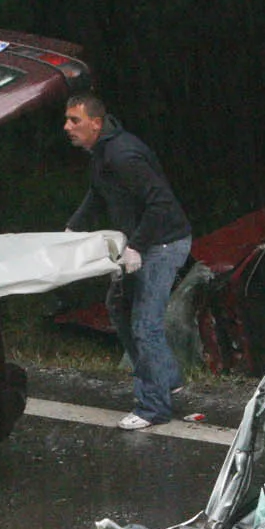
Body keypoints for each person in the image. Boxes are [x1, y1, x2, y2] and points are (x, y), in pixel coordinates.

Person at [63, 94, 192, 430]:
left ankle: (153, 408)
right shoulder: (101, 152)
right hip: (144, 242)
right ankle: (166, 379)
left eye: (74, 120)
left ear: (95, 123)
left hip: (163, 244)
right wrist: (72, 229)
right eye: (67, 119)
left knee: (145, 325)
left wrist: (136, 247)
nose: (67, 127)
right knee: (119, 306)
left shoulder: (123, 155)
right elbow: (98, 192)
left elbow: (160, 202)